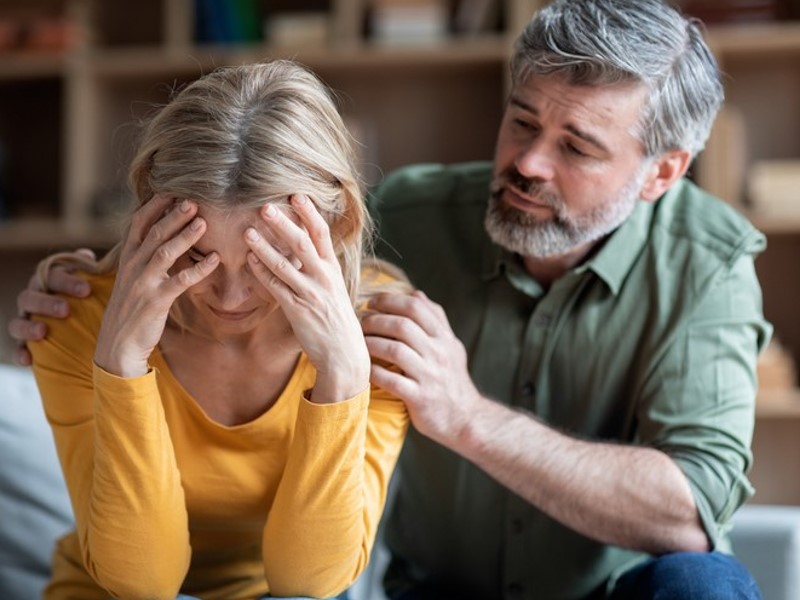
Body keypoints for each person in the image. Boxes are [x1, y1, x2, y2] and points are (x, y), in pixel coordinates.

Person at [9, 1, 771, 599]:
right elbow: (248, 197)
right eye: (521, 121)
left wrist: (459, 413)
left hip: (613, 588)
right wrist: (96, 299)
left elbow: (693, 511)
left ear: (662, 173)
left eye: (578, 147)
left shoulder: (708, 266)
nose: (528, 162)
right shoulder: (407, 214)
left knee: (704, 583)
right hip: (436, 590)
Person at [11, 59, 409, 600]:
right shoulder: (74, 317)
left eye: (267, 261)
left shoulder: (379, 330)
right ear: (152, 217)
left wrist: (342, 374)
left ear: (335, 226)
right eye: (198, 257)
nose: (230, 298)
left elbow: (310, 583)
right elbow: (141, 581)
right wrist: (122, 364)